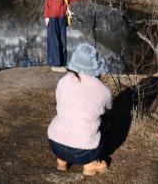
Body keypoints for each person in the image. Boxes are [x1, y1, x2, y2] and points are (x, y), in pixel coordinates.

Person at [47, 43, 112, 176]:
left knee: (65, 114)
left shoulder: (63, 82)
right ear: (96, 66)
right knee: (106, 122)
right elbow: (108, 108)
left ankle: (61, 162)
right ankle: (90, 165)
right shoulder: (102, 90)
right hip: (85, 152)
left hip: (55, 144)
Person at [43, 0, 85, 72]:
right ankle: (55, 65)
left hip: (62, 17)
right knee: (54, 40)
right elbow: (48, 1)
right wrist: (46, 16)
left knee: (63, 41)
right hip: (52, 17)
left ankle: (62, 63)